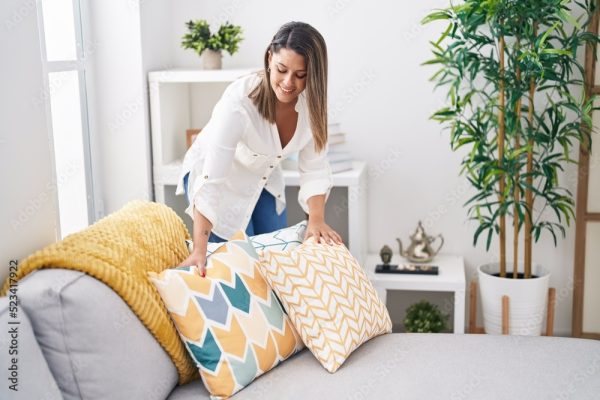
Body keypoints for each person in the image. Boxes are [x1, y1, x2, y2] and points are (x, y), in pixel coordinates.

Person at [176, 21, 342, 277]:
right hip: (219, 180)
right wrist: (201, 249)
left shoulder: (314, 106)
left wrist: (316, 220)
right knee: (243, 270)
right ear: (269, 58)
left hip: (263, 179)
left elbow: (315, 169)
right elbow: (212, 180)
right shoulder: (239, 101)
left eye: (301, 75)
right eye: (281, 69)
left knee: (277, 264)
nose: (289, 83)